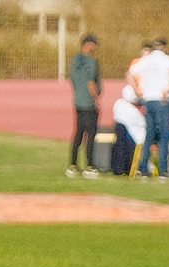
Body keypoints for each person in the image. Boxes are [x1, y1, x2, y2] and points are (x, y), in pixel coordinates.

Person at [136, 36, 169, 178]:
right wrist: (168, 89)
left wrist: (138, 92)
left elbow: (130, 73)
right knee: (164, 135)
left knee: (149, 134)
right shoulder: (168, 60)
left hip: (149, 100)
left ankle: (143, 167)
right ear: (165, 47)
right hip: (162, 100)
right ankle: (163, 169)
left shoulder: (146, 60)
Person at [67, 33, 103, 177]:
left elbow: (73, 80)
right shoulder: (90, 62)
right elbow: (90, 82)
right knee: (91, 134)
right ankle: (89, 166)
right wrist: (96, 99)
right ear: (88, 45)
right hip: (88, 103)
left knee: (78, 133)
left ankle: (72, 165)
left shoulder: (75, 61)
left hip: (78, 101)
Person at [113, 68, 147, 180]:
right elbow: (143, 124)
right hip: (134, 138)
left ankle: (120, 168)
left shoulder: (118, 105)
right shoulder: (133, 111)